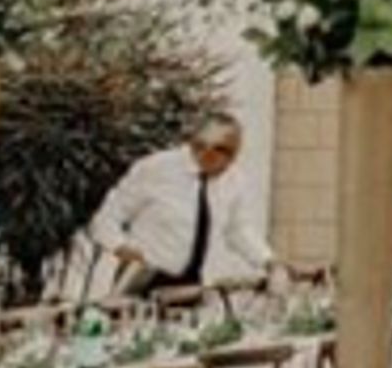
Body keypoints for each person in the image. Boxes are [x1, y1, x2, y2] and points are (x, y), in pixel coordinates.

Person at [86, 111, 271, 298]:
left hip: (193, 286)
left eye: (234, 153)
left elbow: (238, 230)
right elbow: (106, 218)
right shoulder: (156, 168)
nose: (231, 161)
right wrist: (121, 247)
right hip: (145, 278)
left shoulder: (233, 180)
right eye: (227, 153)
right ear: (202, 147)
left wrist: (268, 261)